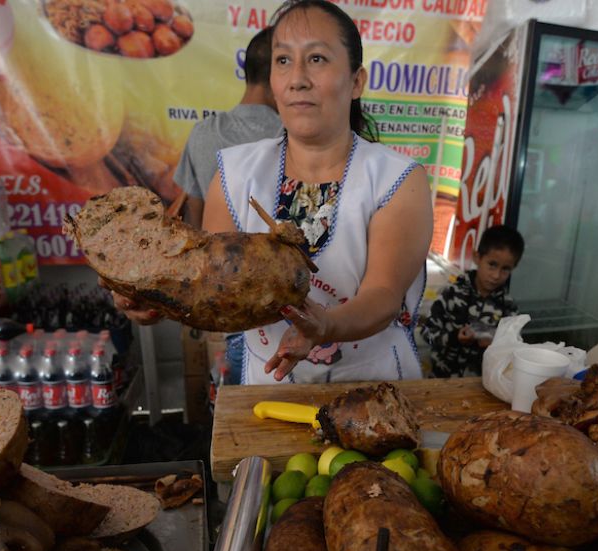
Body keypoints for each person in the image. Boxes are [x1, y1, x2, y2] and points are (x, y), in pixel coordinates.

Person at [194, 0, 432, 384]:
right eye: (283, 61)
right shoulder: (235, 175)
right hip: (267, 393)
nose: (297, 78)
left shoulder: (397, 179)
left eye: (317, 59)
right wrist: (157, 299)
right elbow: (212, 287)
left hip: (372, 392)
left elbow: (384, 294)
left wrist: (324, 325)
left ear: (356, 81)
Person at [174, 27, 283, 229]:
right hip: (280, 257)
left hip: (215, 254)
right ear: (276, 76)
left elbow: (194, 217)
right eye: (287, 65)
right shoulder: (293, 137)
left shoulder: (202, 132)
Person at [420, 225, 524, 378]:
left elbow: (515, 348)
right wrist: (455, 337)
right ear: (477, 257)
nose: (496, 275)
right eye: (492, 264)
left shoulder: (508, 308)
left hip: (482, 386)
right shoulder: (452, 293)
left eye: (505, 269)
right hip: (442, 381)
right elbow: (426, 333)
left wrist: (495, 346)